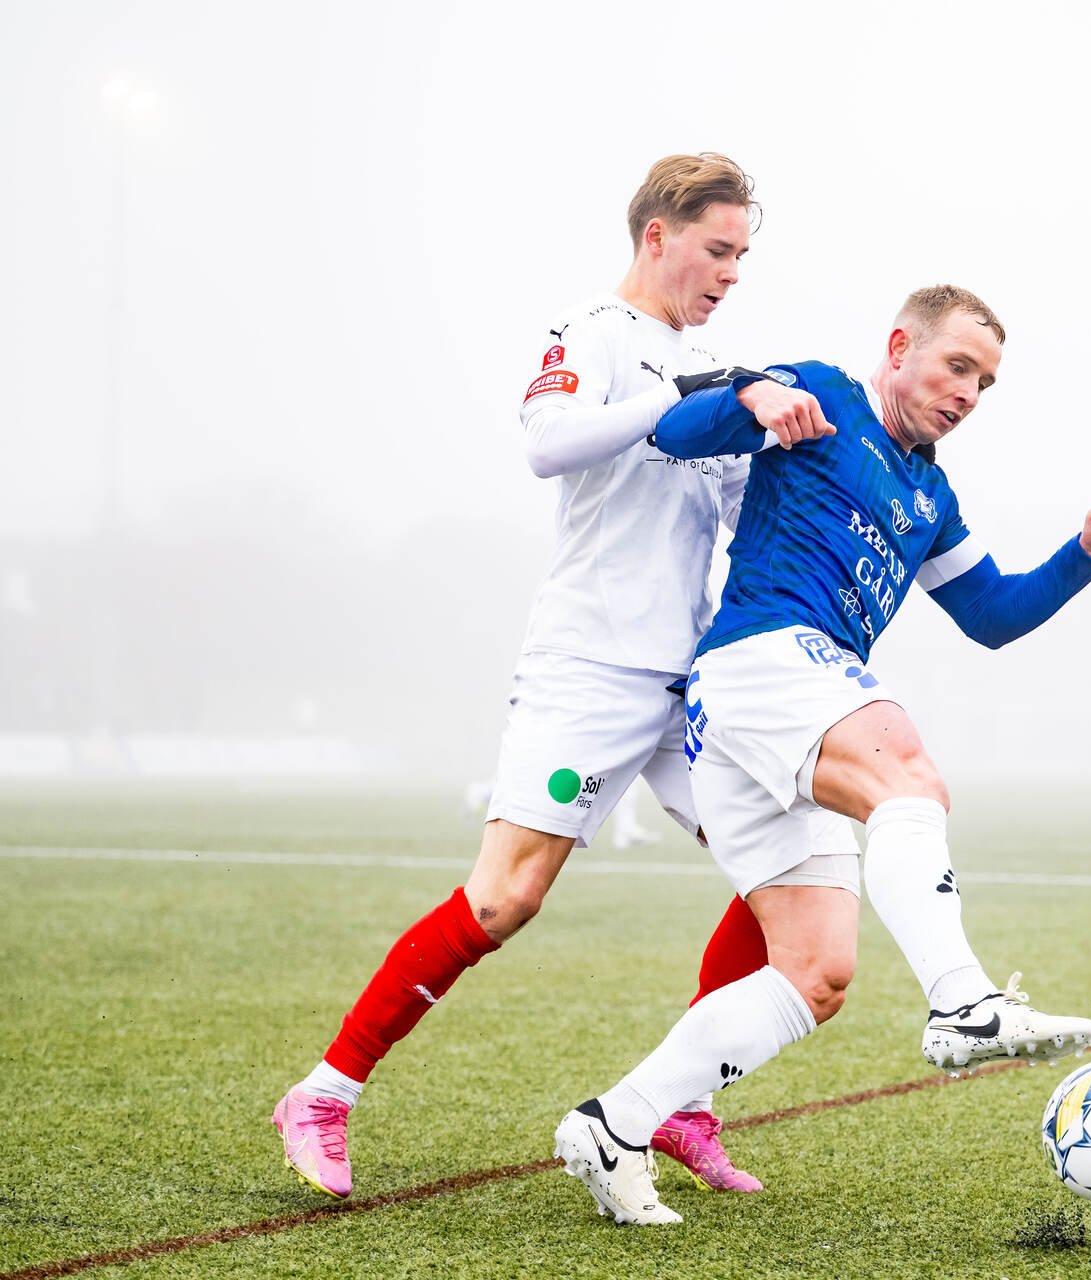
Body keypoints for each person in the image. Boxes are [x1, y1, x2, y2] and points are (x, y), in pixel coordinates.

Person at [273, 154, 854, 1217]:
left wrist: (789, 455)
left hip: (693, 676)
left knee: (782, 864)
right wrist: (687, 397)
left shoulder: (719, 360)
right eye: (717, 249)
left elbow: (728, 509)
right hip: (590, 662)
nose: (730, 272)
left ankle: (681, 1106)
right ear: (656, 236)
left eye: (742, 255)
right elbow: (548, 446)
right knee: (505, 897)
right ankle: (324, 1090)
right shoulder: (590, 330)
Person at [551, 285, 1091, 1224]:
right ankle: (963, 1002)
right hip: (763, 659)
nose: (968, 394)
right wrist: (748, 398)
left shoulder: (929, 493)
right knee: (909, 777)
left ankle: (614, 1125)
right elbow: (673, 435)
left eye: (986, 384)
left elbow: (992, 617)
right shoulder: (825, 393)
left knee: (815, 974)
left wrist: (1086, 552)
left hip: (765, 713)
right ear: (901, 345)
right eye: (957, 366)